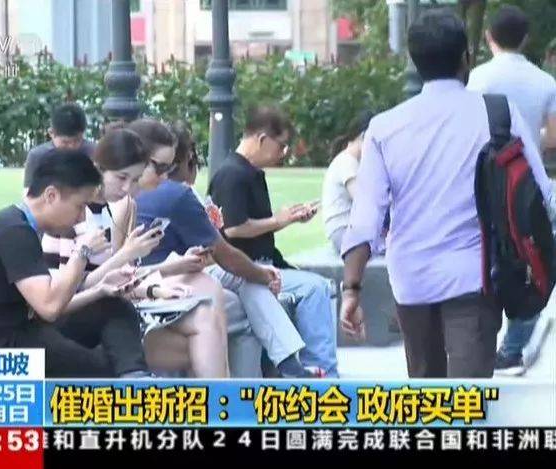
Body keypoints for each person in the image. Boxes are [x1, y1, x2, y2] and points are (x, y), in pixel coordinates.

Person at [339, 9, 553, 378]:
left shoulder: (384, 128)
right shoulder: (498, 114)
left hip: (411, 282)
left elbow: (364, 221)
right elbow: (541, 194)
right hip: (475, 278)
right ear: (466, 57)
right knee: (470, 397)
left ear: (414, 61)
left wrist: (352, 290)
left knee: (426, 393)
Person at [40, 127, 229, 378]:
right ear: (98, 168)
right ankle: (218, 399)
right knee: (205, 327)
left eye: (135, 179)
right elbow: (63, 294)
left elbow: (118, 279)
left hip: (114, 312)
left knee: (207, 318)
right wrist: (127, 256)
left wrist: (162, 277)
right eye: (121, 178)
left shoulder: (119, 207)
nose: (127, 187)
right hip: (85, 323)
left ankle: (220, 399)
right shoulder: (71, 213)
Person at [139, 120, 320, 378]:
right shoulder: (177, 195)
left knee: (245, 291)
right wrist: (262, 274)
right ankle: (253, 386)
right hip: (162, 285)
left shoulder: (135, 195)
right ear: (187, 160)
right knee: (246, 306)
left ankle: (282, 366)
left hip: (165, 277)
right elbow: (225, 255)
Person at [0, 150, 149, 378]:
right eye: (79, 206)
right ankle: (128, 385)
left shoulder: (21, 226)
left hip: (24, 328)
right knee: (102, 370)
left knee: (113, 307)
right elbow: (50, 307)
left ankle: (135, 377)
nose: (81, 217)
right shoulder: (14, 232)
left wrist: (100, 290)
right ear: (51, 195)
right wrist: (82, 251)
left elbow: (46, 305)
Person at [208, 107, 339, 377]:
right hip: (246, 268)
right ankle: (323, 374)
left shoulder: (251, 173)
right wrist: (280, 221)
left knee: (319, 286)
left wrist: (290, 218)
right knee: (315, 289)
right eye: (281, 145)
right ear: (262, 139)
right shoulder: (232, 174)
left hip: (264, 263)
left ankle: (313, 368)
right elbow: (233, 228)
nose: (284, 153)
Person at [467, 5, 556, 376]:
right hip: (527, 186)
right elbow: (553, 139)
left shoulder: (478, 78)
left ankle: (485, 342)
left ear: (489, 36)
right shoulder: (545, 82)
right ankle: (513, 345)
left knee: (487, 256)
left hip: (486, 182)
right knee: (532, 261)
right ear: (526, 38)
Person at [322, 110, 374, 252]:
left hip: (351, 230)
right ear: (364, 136)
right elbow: (362, 201)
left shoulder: (353, 161)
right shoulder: (347, 162)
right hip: (343, 230)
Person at [23, 102, 96, 189]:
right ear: (51, 133)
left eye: (77, 140)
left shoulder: (94, 153)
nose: (72, 147)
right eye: (65, 142)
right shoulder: (37, 156)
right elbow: (29, 192)